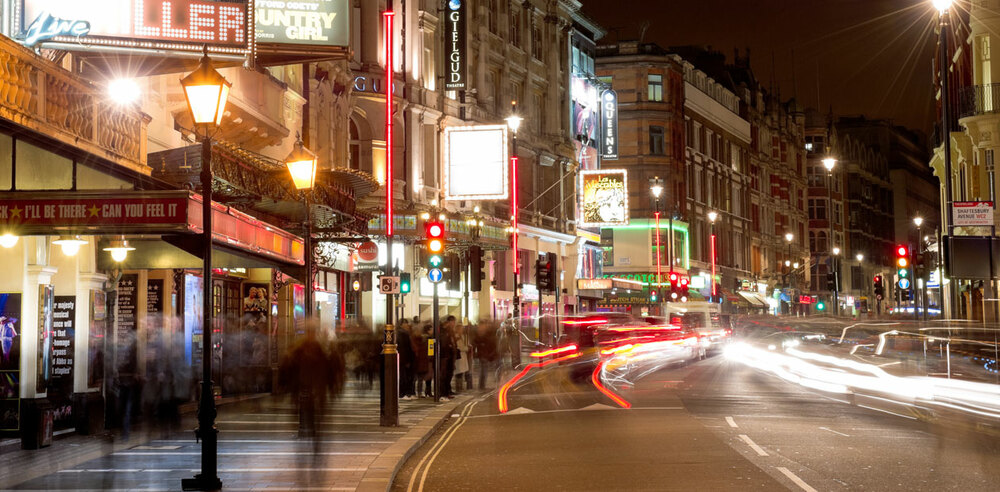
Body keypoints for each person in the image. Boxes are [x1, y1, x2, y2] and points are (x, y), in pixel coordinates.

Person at [473, 322, 499, 389]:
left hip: (487, 354)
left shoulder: (486, 334)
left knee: (485, 370)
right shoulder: (481, 335)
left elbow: (491, 343)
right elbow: (477, 343)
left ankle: (482, 385)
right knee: (484, 370)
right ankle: (482, 385)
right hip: (483, 354)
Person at [397, 319, 416, 400]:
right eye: (405, 323)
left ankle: (407, 392)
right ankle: (402, 393)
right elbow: (403, 348)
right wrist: (406, 360)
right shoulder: (402, 334)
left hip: (407, 358)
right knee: (403, 377)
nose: (407, 325)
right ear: (401, 324)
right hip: (404, 359)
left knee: (407, 376)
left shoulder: (406, 333)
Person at [440, 316, 458, 400]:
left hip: (450, 357)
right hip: (445, 357)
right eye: (453, 322)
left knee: (449, 375)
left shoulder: (450, 332)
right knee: (444, 376)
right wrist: (450, 346)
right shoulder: (444, 331)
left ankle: (447, 392)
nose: (454, 324)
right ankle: (443, 393)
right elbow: (444, 344)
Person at [453, 321, 470, 393]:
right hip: (459, 357)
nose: (462, 330)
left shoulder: (463, 336)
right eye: (461, 329)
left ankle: (460, 386)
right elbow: (460, 347)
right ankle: (458, 387)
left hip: (463, 357)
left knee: (461, 372)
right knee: (458, 372)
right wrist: (466, 348)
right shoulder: (456, 337)